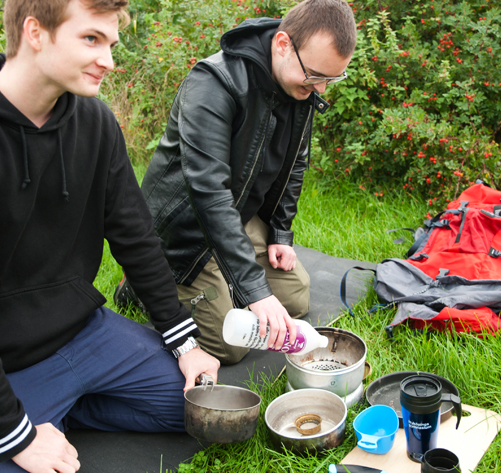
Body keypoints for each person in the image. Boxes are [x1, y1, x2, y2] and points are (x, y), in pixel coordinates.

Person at [0, 0, 219, 472]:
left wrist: (183, 342)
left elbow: (135, 236)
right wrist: (15, 434)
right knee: (22, 459)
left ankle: (68, 407)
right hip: (4, 362)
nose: (109, 60)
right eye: (91, 39)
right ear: (35, 32)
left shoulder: (95, 122)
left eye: (111, 43)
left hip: (84, 331)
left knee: (204, 412)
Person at [134, 0, 356, 364]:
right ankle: (145, 284)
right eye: (316, 76)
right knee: (230, 347)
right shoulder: (213, 82)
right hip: (183, 235)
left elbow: (294, 164)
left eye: (332, 79)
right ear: (283, 44)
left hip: (236, 217)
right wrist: (254, 290)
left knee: (296, 297)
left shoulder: (301, 86)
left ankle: (227, 279)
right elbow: (208, 193)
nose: (321, 89)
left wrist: (280, 233)